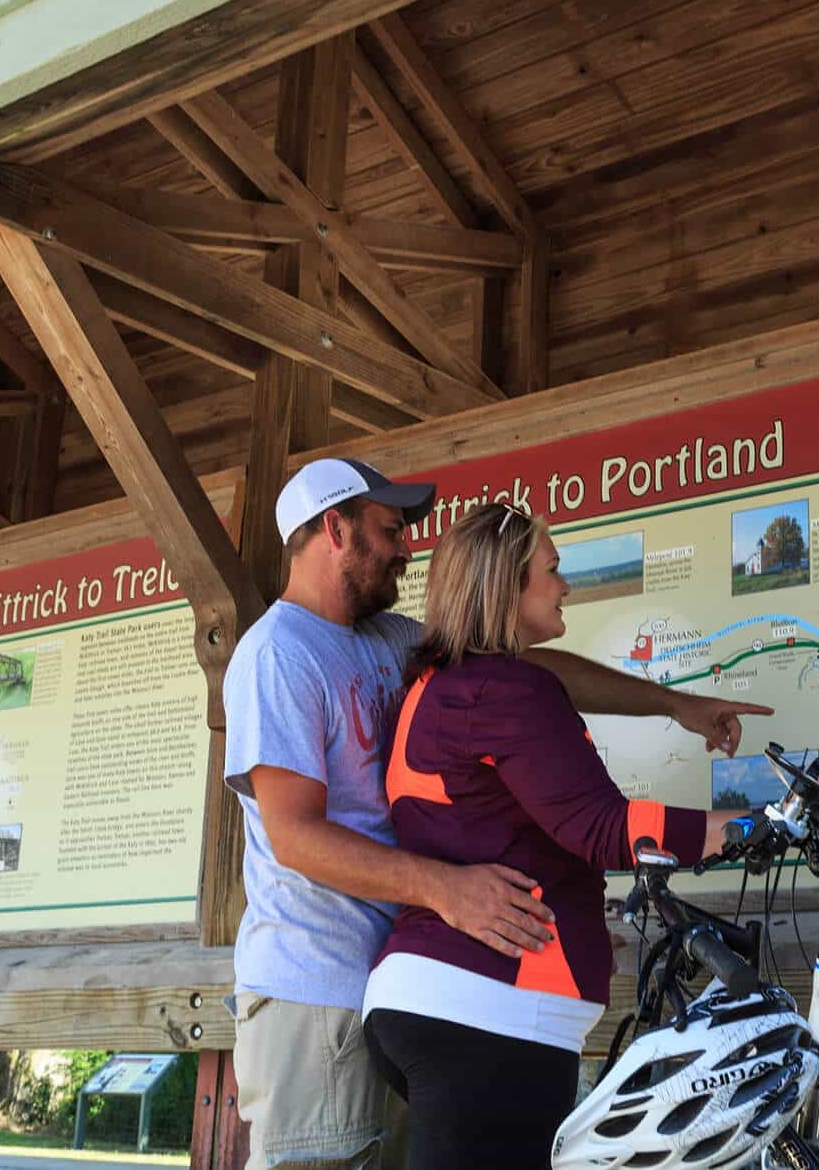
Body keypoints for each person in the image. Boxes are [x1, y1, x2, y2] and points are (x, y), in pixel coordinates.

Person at [223, 458, 774, 1170]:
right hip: (314, 988)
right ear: (336, 529)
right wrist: (444, 889)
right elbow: (295, 837)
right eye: (390, 529)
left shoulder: (389, 640)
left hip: (405, 979)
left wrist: (673, 704)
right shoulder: (279, 655)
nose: (407, 547)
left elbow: (526, 667)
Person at [361, 502, 819, 1170]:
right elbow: (603, 827)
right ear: (507, 585)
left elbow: (503, 815)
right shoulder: (509, 691)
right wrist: (755, 825)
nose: (566, 587)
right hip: (488, 1012)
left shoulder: (440, 686)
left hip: (443, 1000)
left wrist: (676, 708)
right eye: (552, 570)